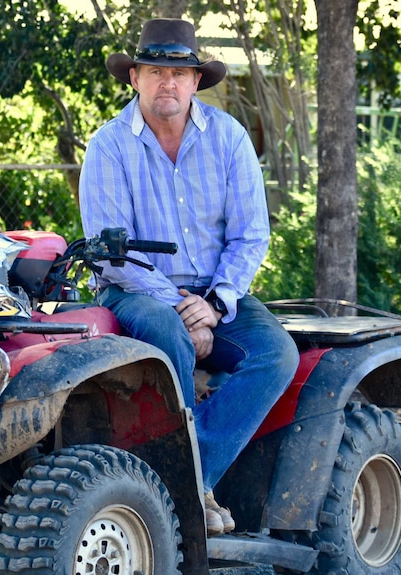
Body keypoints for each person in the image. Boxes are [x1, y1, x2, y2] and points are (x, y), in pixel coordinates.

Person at [78, 18, 299, 536]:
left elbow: (251, 236)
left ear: (196, 80)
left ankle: (188, 478)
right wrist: (183, 308)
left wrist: (218, 304)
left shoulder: (229, 138)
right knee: (167, 335)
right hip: (134, 290)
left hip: (214, 291)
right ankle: (188, 490)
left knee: (277, 354)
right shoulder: (109, 145)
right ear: (134, 78)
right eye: (155, 70)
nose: (167, 82)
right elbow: (113, 255)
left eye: (179, 71)